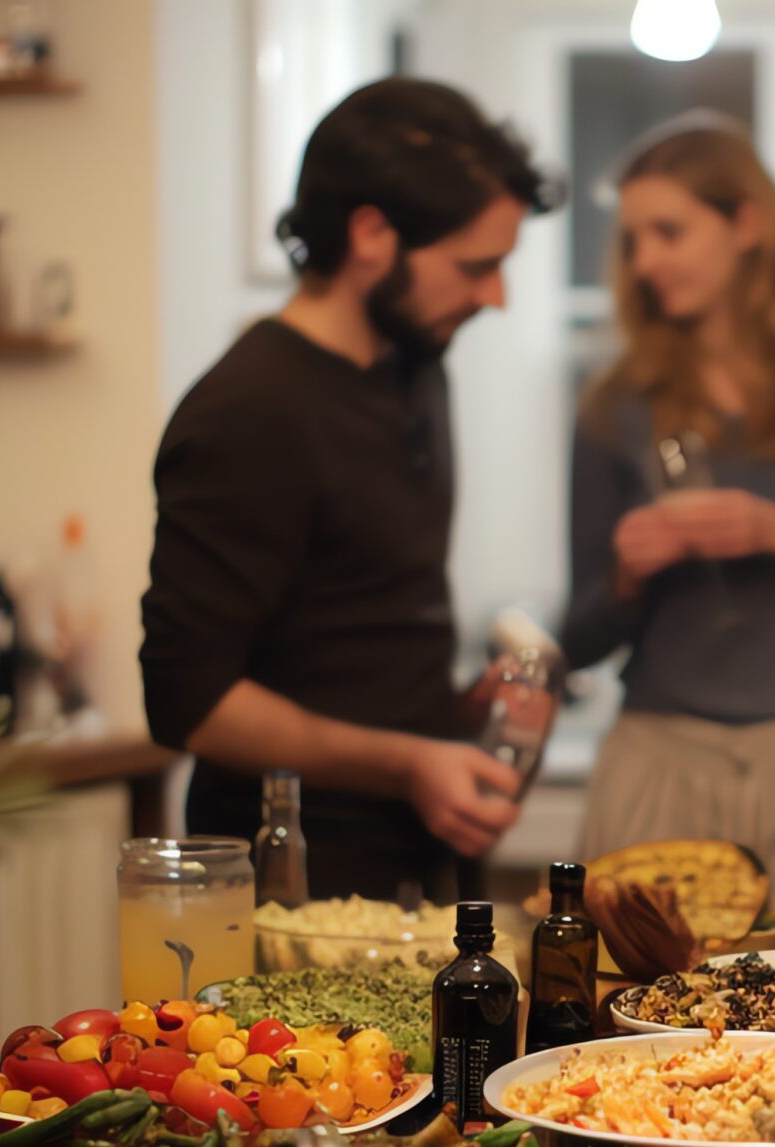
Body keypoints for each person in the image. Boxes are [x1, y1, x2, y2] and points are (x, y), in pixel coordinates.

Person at [141, 78, 559, 903]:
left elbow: (357, 623)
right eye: (477, 266)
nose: (495, 297)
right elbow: (188, 703)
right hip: (292, 886)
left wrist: (456, 713)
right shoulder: (251, 409)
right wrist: (409, 763)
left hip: (414, 867)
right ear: (371, 233)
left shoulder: (414, 368)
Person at [559, 117, 775, 919]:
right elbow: (577, 640)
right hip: (660, 765)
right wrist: (626, 573)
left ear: (747, 224)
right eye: (633, 241)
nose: (645, 262)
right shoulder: (612, 408)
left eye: (669, 232)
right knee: (636, 1029)